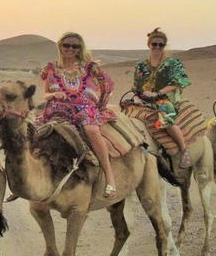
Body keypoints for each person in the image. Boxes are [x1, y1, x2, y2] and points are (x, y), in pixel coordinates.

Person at [37, 32, 118, 199]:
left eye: (75, 46)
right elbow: (45, 93)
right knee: (35, 133)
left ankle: (110, 178)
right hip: (58, 108)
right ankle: (28, 181)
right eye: (67, 45)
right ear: (60, 46)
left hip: (85, 108)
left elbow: (108, 84)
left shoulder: (89, 67)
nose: (70, 49)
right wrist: (53, 95)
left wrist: (98, 103)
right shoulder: (50, 68)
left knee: (92, 130)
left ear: (80, 48)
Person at [132, 28, 192, 169]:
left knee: (166, 118)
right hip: (143, 98)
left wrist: (158, 93)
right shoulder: (141, 65)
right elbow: (136, 85)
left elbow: (178, 82)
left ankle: (184, 150)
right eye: (154, 44)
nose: (157, 47)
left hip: (164, 98)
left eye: (161, 45)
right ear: (149, 45)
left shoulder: (172, 63)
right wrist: (136, 97)